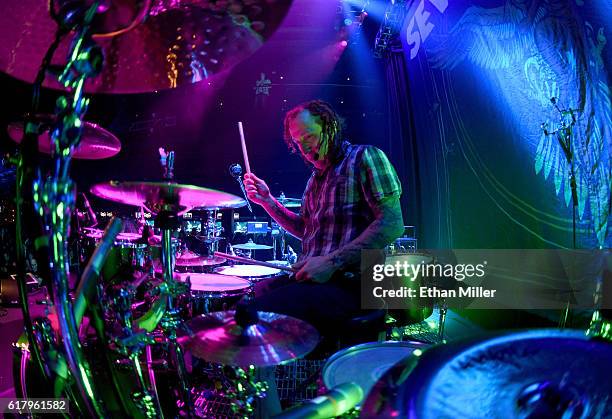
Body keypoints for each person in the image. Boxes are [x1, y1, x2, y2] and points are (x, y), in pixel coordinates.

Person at [243, 100, 404, 335]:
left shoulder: (365, 157)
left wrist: (330, 262)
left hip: (354, 283)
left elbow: (392, 224)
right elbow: (304, 229)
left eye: (309, 137)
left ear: (331, 126)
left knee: (251, 316)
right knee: (258, 291)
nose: (305, 151)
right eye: (298, 143)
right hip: (317, 281)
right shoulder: (315, 179)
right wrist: (268, 201)